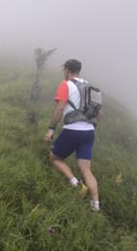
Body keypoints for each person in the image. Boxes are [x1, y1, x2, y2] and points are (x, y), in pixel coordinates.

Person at [45, 59, 102, 212]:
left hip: (72, 130)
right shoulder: (90, 86)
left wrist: (51, 129)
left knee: (55, 158)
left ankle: (76, 184)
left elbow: (60, 108)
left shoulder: (66, 84)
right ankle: (96, 204)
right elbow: (99, 114)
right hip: (89, 132)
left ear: (67, 69)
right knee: (85, 168)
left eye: (64, 69)